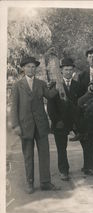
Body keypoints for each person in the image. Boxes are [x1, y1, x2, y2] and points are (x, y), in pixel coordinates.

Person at [11, 56, 60, 194]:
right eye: (28, 66)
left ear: (35, 68)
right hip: (25, 126)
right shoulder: (17, 85)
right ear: (23, 68)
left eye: (33, 67)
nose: (31, 69)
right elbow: (14, 107)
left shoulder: (41, 83)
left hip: (41, 125)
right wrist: (16, 125)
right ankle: (30, 183)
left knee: (44, 154)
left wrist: (58, 85)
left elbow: (50, 96)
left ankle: (45, 182)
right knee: (28, 155)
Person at [47, 58, 83, 181]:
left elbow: (81, 104)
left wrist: (78, 122)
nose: (68, 72)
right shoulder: (54, 85)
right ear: (61, 71)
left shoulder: (78, 85)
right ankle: (63, 171)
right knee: (61, 148)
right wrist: (57, 121)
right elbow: (50, 107)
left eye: (70, 70)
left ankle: (89, 166)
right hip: (60, 122)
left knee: (87, 140)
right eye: (65, 69)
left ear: (73, 71)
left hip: (75, 121)